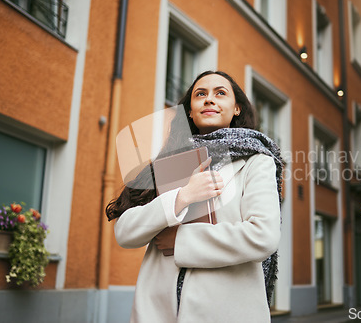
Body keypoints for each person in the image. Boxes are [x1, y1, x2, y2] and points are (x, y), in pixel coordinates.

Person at [106, 70, 283, 322]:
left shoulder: (257, 161)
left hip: (227, 313)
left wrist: (181, 240)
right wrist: (181, 197)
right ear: (189, 110)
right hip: (156, 312)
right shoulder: (167, 161)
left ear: (236, 109)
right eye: (201, 94)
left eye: (220, 93)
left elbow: (263, 235)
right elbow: (124, 232)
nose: (209, 99)